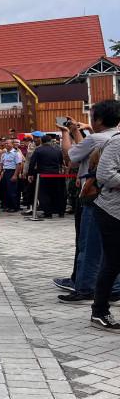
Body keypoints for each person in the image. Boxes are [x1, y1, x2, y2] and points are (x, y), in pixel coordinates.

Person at [54, 101, 120, 298]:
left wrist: (66, 133)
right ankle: (112, 289)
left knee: (89, 244)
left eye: (92, 116)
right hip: (113, 200)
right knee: (111, 249)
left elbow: (70, 156)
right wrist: (77, 131)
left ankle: (85, 287)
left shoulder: (98, 138)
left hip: (95, 197)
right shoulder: (114, 136)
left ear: (98, 119)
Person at [89, 104, 120, 331]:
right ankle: (99, 312)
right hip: (112, 211)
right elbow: (105, 173)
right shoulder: (117, 141)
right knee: (113, 261)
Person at [26, 135, 64, 218]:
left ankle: (47, 213)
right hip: (55, 174)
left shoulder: (38, 150)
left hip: (43, 174)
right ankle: (60, 211)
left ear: (41, 142)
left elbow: (32, 163)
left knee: (43, 193)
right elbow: (61, 162)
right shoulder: (57, 150)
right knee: (56, 192)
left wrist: (30, 174)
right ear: (51, 141)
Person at [0, 141, 22, 212]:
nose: (6, 144)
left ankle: (14, 207)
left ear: (12, 144)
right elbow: (1, 164)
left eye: (8, 143)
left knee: (12, 191)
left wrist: (15, 175)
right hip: (5, 172)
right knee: (5, 190)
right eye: (5, 143)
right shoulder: (3, 154)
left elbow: (18, 165)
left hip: (12, 172)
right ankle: (7, 206)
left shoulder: (16, 153)